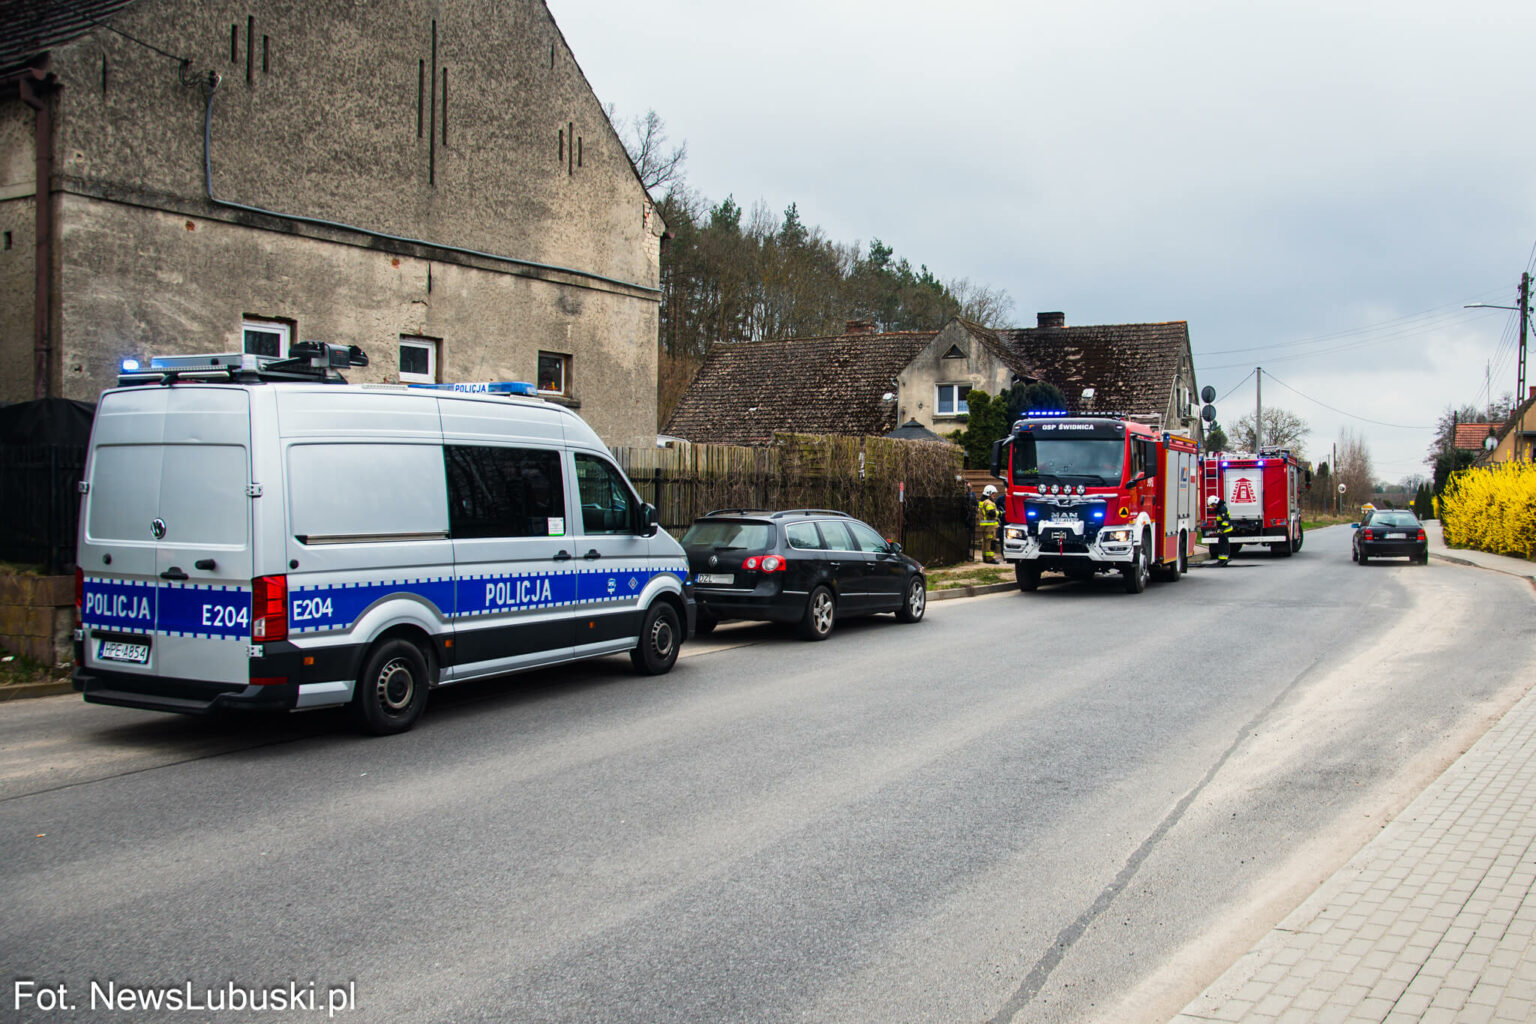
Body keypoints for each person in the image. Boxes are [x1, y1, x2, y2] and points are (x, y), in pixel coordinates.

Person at [1207, 493, 1232, 565]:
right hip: (1223, 530)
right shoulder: (1219, 508)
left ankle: (1224, 560)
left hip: (1225, 529)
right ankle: (1221, 559)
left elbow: (1225, 520)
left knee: (1224, 545)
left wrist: (1221, 530)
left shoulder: (1222, 509)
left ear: (1215, 502)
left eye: (1212, 505)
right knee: (1221, 544)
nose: (1212, 507)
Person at [978, 485, 1000, 563]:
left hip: (985, 526)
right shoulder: (988, 502)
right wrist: (1000, 513)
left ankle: (985, 557)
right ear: (989, 493)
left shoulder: (982, 502)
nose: (994, 496)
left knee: (985, 541)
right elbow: (991, 513)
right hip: (989, 526)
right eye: (993, 494)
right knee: (990, 542)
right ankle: (990, 558)